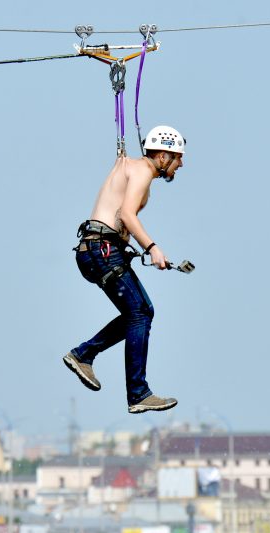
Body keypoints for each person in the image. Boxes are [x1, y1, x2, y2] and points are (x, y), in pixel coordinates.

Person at [63, 125, 185, 414]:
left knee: (140, 312)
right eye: (178, 157)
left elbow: (119, 213)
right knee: (141, 312)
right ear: (164, 155)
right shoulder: (141, 171)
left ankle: (84, 354)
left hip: (96, 251)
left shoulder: (129, 166)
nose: (181, 164)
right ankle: (137, 392)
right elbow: (127, 215)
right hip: (101, 250)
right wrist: (152, 248)